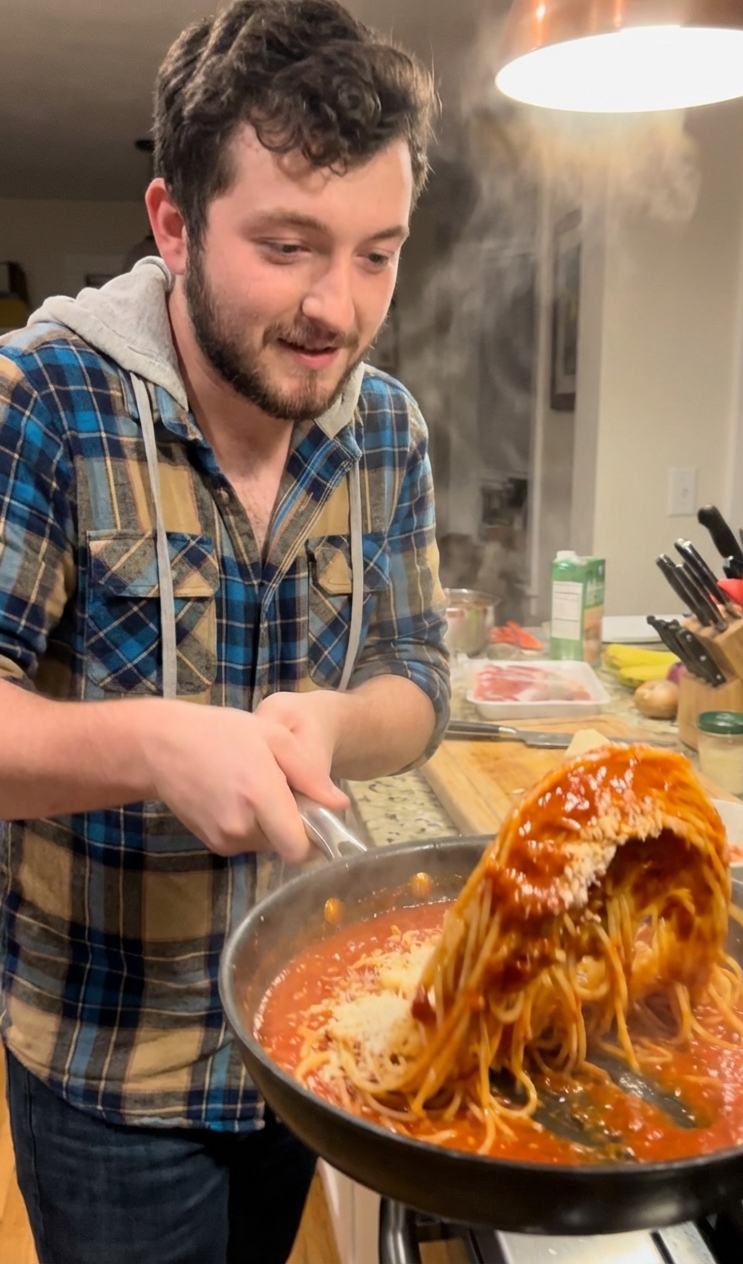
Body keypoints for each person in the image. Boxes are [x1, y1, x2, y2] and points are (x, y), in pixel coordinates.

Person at [0, 2, 448, 1260]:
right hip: (112, 1068)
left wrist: (335, 721)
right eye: (288, 245)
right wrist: (152, 746)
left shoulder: (388, 431)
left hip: (316, 1033)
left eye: (376, 253)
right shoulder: (43, 399)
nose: (334, 308)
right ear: (173, 222)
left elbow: (418, 676)